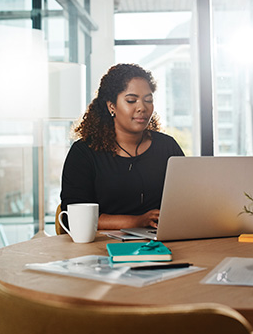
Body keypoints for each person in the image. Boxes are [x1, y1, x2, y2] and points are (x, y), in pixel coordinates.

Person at [60, 63, 184, 230]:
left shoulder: (167, 146)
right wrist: (137, 221)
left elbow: (187, 201)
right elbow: (73, 216)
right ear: (112, 106)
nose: (142, 107)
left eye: (148, 100)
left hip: (160, 243)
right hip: (101, 247)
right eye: (131, 100)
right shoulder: (84, 152)